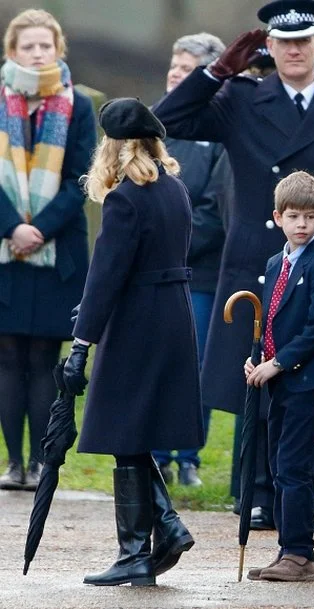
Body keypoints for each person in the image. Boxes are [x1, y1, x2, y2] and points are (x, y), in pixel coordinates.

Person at [153, 0, 314, 529]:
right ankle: (256, 493)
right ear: (270, 47)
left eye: (303, 41)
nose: (293, 51)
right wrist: (215, 72)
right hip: (255, 264)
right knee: (255, 385)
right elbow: (168, 119)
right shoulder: (241, 98)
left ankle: (297, 493)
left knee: (305, 383)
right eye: (283, 43)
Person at [62, 98, 203, 586]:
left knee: (125, 433)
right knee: (136, 432)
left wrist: (81, 342)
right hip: (173, 316)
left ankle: (135, 550)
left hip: (137, 322)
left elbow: (106, 275)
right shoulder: (174, 189)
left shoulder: (126, 197)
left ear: (114, 146)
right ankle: (163, 528)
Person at [0, 9, 96, 491]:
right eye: (28, 46)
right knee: (7, 356)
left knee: (44, 358)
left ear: (58, 49)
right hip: (4, 251)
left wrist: (37, 229)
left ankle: (41, 464)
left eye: (46, 45)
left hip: (57, 253)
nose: (38, 53)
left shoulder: (78, 105)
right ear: (11, 51)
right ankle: (13, 464)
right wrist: (11, 226)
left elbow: (83, 176)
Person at [244, 171, 314, 582]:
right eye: (294, 216)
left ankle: (301, 555)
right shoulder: (274, 263)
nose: (302, 224)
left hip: (309, 379)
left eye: (310, 217)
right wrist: (259, 359)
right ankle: (288, 548)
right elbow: (271, 322)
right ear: (278, 217)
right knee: (278, 464)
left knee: (294, 465)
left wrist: (279, 362)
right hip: (281, 377)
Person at [151, 32, 228, 488]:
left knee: (195, 366)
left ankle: (189, 457)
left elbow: (216, 207)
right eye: (174, 66)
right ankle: (157, 455)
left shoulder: (217, 128)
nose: (177, 74)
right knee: (159, 363)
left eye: (188, 68)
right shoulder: (152, 126)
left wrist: (172, 240)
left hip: (199, 272)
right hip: (155, 272)